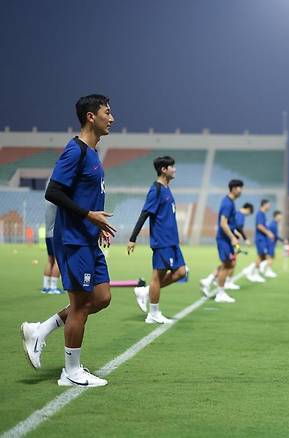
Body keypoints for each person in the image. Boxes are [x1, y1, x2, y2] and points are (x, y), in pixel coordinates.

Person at [21, 94, 115, 387]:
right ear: (91, 117)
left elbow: (83, 194)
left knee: (101, 298)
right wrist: (89, 216)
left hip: (88, 238)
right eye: (107, 113)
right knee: (80, 305)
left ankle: (40, 330)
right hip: (73, 240)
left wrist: (96, 224)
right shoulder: (74, 150)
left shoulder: (93, 153)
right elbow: (53, 192)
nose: (111, 118)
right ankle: (71, 372)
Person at [128, 156, 188, 323]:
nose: (174, 169)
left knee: (181, 272)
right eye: (172, 167)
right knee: (157, 275)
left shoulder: (166, 188)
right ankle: (153, 313)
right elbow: (145, 214)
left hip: (172, 242)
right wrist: (133, 238)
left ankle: (145, 292)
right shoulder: (156, 190)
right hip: (162, 242)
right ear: (163, 169)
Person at [200, 202, 253, 293]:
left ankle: (213, 280)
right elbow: (238, 227)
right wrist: (245, 238)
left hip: (231, 240)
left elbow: (234, 228)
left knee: (230, 263)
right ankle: (216, 281)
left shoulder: (236, 213)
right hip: (229, 241)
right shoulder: (240, 215)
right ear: (248, 209)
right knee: (229, 263)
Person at [210, 179, 244, 303]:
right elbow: (223, 224)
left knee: (229, 264)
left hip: (226, 238)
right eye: (240, 187)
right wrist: (232, 237)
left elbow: (228, 223)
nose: (241, 190)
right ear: (234, 188)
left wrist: (235, 233)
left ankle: (211, 282)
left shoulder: (231, 202)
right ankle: (220, 293)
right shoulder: (227, 203)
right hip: (224, 239)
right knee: (227, 264)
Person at [247, 199, 273, 283]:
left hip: (263, 238)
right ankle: (254, 273)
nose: (270, 206)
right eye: (269, 205)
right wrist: (268, 232)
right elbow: (259, 226)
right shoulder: (260, 214)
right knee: (261, 256)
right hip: (260, 238)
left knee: (262, 256)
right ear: (264, 204)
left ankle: (253, 271)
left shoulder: (263, 214)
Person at [41, 199, 63, 294]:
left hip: (48, 235)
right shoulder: (57, 202)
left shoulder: (48, 203)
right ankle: (53, 287)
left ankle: (46, 286)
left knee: (50, 260)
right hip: (56, 235)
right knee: (58, 261)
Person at [265, 210, 287, 276]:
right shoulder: (273, 224)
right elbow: (275, 235)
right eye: (280, 216)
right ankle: (268, 271)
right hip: (270, 242)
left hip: (271, 242)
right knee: (270, 257)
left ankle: (265, 269)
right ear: (276, 216)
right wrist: (283, 240)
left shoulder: (274, 223)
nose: (281, 217)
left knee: (270, 257)